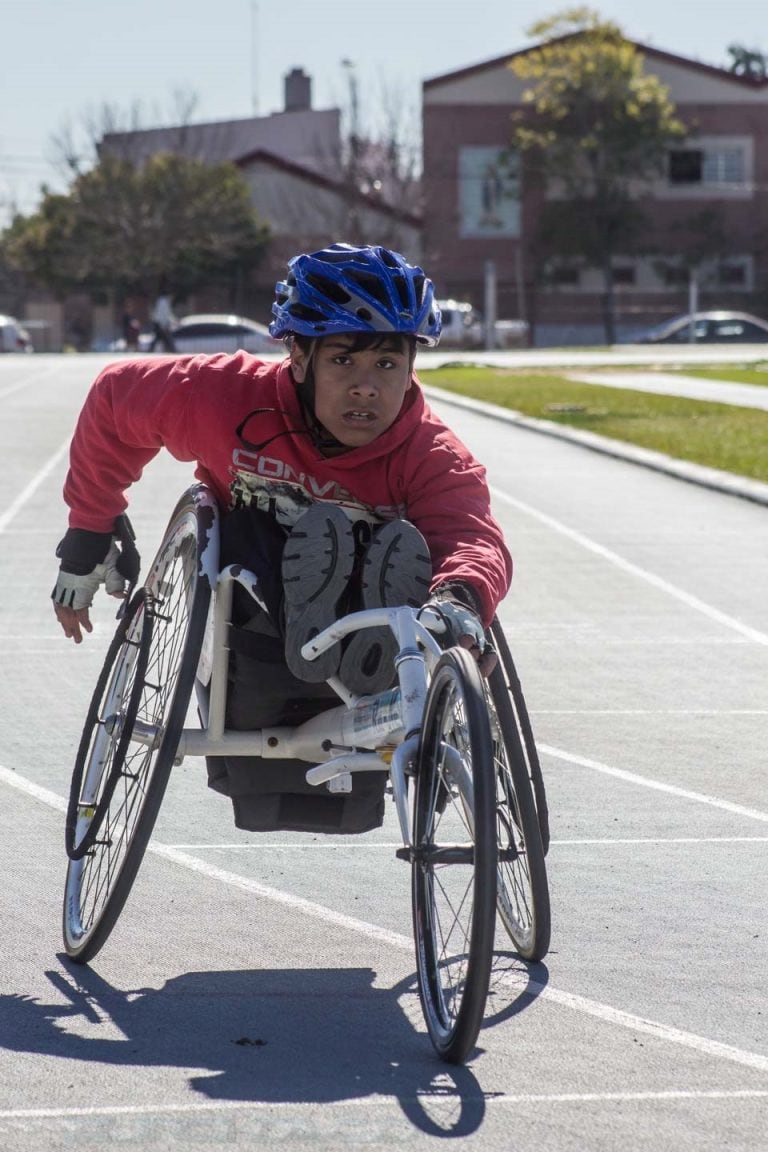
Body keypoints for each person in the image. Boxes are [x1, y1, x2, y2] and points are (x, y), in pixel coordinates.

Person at [51, 243, 512, 832]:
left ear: (411, 367)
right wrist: (89, 531)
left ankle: (361, 638)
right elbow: (114, 400)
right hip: (251, 636)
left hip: (373, 653)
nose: (367, 387)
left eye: (388, 365)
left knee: (405, 553)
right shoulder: (224, 396)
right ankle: (314, 621)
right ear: (298, 356)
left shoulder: (432, 454)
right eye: (344, 362)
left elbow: (473, 537)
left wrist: (460, 602)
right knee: (267, 523)